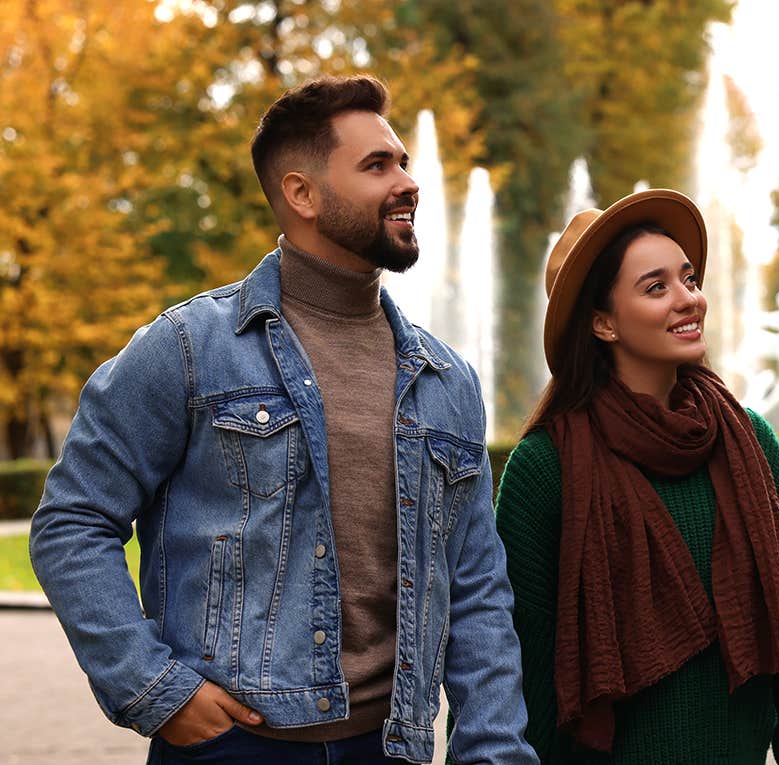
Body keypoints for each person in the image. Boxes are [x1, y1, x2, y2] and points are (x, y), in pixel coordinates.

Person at [28, 75, 536, 765]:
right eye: (377, 166)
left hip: (389, 748)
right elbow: (73, 520)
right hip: (232, 748)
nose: (407, 182)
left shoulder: (448, 380)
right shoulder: (187, 347)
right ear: (301, 193)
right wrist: (154, 686)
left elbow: (475, 588)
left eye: (405, 163)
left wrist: (494, 751)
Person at [492, 189, 779, 763]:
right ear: (603, 323)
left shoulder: (749, 440)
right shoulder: (546, 468)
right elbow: (526, 672)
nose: (689, 299)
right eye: (656, 287)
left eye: (688, 279)